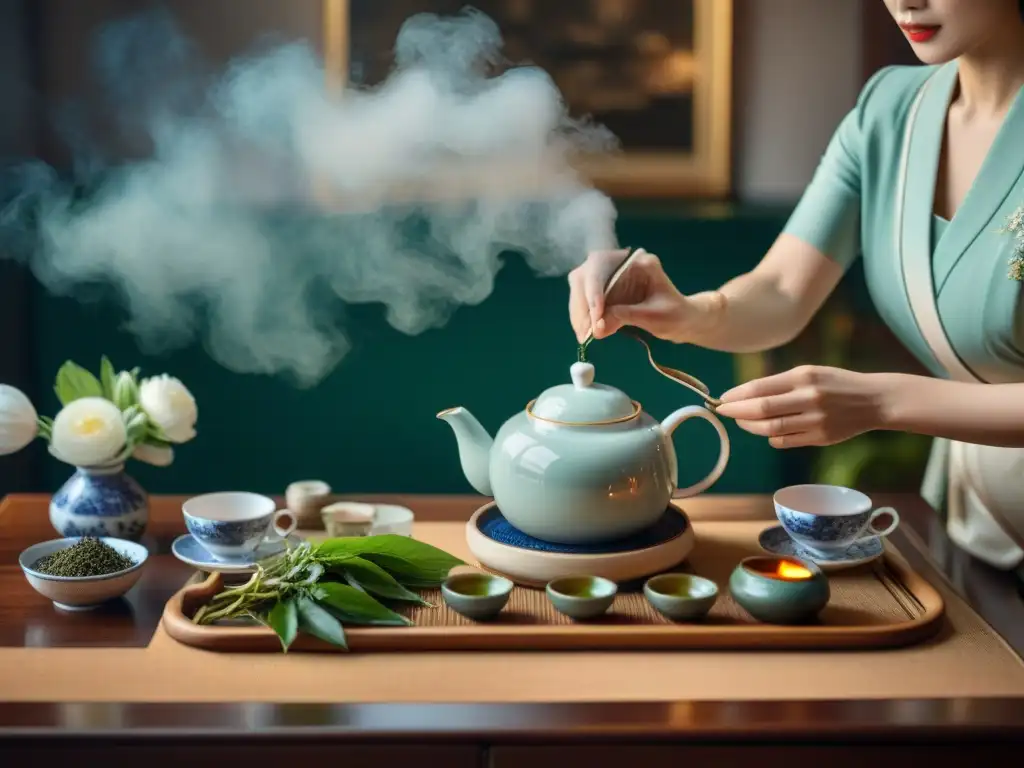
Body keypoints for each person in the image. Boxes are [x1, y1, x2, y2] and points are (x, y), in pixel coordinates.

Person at [567, 0, 1024, 571]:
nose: (907, 1)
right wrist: (689, 312)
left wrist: (884, 401)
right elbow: (782, 289)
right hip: (975, 522)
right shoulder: (891, 110)